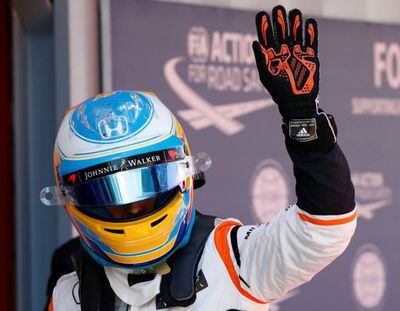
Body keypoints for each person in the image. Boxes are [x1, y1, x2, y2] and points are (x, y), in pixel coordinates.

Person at [44, 5, 357, 310]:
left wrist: (301, 117)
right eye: (110, 195)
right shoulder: (70, 295)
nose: (135, 205)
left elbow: (323, 229)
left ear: (184, 173)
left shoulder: (234, 258)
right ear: (73, 199)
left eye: (148, 182)